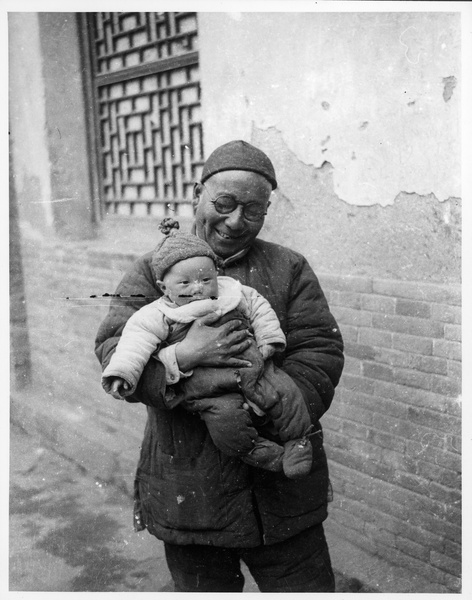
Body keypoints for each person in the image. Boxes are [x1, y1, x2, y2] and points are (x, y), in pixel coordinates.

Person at [95, 139, 344, 592]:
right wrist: (187, 359)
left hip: (283, 493)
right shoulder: (151, 271)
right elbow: (114, 350)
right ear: (197, 193)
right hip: (190, 485)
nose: (235, 221)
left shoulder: (288, 267)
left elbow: (320, 350)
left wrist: (278, 400)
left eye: (253, 211)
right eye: (224, 204)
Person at [101, 218, 314, 479]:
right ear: (163, 288)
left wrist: (269, 337)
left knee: (286, 393)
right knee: (227, 426)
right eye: (185, 283)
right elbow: (133, 343)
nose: (198, 288)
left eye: (206, 279)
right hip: (209, 388)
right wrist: (125, 372)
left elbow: (258, 306)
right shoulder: (157, 314)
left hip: (254, 367)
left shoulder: (231, 292)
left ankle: (299, 442)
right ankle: (268, 456)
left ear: (217, 273)